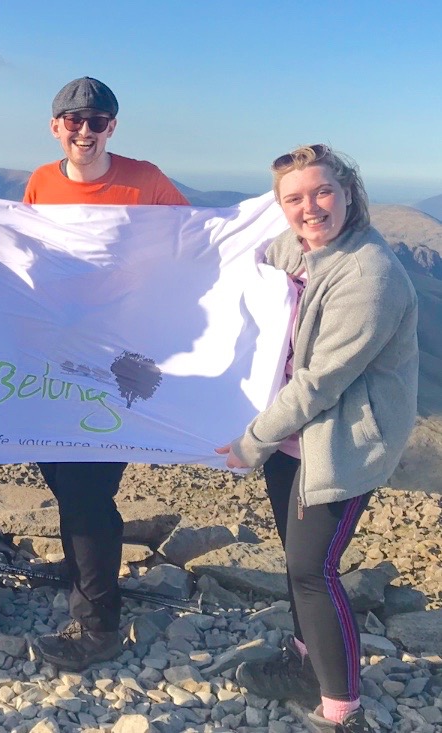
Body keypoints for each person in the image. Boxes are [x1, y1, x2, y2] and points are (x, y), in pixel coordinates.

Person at [0, 76, 189, 671]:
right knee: (61, 476)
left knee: (87, 490)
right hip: (52, 355)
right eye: (73, 120)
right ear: (56, 127)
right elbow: (25, 250)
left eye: (97, 120)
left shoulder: (146, 180)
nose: (85, 130)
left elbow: (197, 245)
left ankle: (97, 623)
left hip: (119, 359)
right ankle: (82, 572)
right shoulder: (42, 181)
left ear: (113, 127)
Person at [216, 144, 418, 733]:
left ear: (349, 191)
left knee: (313, 570)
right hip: (293, 440)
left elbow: (320, 383)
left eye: (322, 192)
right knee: (298, 562)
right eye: (294, 199)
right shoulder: (310, 248)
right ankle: (306, 663)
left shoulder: (369, 274)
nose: (310, 208)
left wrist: (250, 442)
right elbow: (267, 252)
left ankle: (341, 709)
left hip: (341, 443)